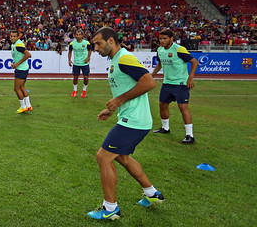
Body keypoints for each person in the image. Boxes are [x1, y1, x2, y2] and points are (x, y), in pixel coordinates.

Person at [87, 27, 163, 220]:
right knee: (122, 157)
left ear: (111, 40)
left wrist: (119, 101)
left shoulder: (124, 57)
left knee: (103, 157)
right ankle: (152, 194)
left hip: (135, 121)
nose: (95, 48)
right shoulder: (115, 59)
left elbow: (149, 82)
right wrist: (112, 109)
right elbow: (127, 89)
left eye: (98, 43)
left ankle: (110, 208)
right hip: (131, 119)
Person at [150, 29, 199, 144]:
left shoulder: (179, 49)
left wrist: (190, 78)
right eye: (160, 38)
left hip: (180, 83)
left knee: (183, 107)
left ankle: (189, 135)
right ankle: (165, 128)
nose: (162, 41)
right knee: (162, 104)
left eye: (164, 38)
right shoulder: (160, 50)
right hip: (167, 83)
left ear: (171, 39)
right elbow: (160, 63)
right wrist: (151, 75)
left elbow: (194, 62)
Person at [10, 31, 33, 113]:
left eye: (14, 36)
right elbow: (17, 56)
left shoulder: (18, 45)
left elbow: (28, 54)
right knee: (22, 87)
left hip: (21, 69)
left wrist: (18, 63)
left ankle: (23, 107)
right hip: (22, 68)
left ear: (17, 37)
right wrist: (14, 63)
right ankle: (29, 106)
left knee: (16, 88)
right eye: (11, 36)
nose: (12, 38)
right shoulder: (14, 45)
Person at [68, 29, 92, 98]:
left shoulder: (86, 43)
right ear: (75, 35)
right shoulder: (72, 43)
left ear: (82, 35)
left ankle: (84, 90)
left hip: (85, 64)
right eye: (77, 35)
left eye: (79, 35)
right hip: (76, 63)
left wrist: (88, 58)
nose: (78, 36)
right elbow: (69, 52)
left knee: (86, 78)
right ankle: (75, 90)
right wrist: (69, 60)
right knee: (75, 78)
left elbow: (90, 50)